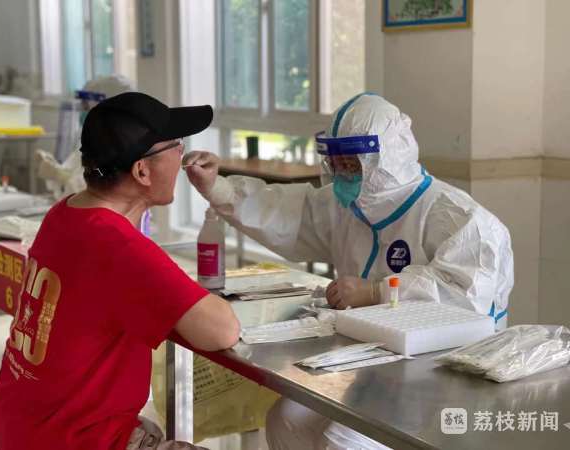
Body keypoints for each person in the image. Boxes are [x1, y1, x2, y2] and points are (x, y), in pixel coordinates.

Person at [182, 93, 514, 449]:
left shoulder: (461, 220)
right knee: (286, 419)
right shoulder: (350, 205)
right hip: (373, 366)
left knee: (344, 441)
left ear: (388, 157)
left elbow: (464, 300)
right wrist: (218, 188)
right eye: (336, 161)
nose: (342, 172)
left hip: (441, 378)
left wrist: (377, 292)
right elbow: (291, 215)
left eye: (352, 162)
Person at [0, 92, 240, 450]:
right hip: (76, 440)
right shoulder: (116, 245)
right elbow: (222, 331)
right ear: (142, 171)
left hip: (25, 428)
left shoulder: (65, 213)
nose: (182, 155)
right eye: (176, 146)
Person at [37, 74, 136, 199]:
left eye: (86, 106)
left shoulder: (126, 144)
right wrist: (55, 168)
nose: (83, 111)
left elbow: (101, 191)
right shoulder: (94, 137)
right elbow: (75, 172)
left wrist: (61, 176)